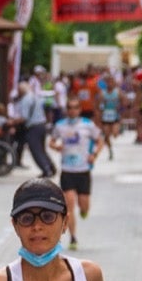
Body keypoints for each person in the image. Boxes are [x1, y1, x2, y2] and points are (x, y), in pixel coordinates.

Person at [49, 102, 102, 251]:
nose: (72, 111)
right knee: (69, 205)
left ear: (79, 110)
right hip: (67, 170)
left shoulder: (88, 124)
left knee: (83, 205)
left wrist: (94, 154)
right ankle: (73, 237)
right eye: (70, 108)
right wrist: (56, 146)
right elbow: (51, 142)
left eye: (75, 108)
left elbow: (100, 140)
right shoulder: (60, 125)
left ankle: (84, 210)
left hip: (83, 170)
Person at [16, 71, 54, 177]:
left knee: (36, 149)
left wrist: (13, 121)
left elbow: (24, 117)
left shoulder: (25, 100)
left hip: (33, 127)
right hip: (41, 125)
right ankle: (51, 167)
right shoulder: (34, 97)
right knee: (42, 149)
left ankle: (46, 170)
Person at [98, 78, 122, 160]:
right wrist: (99, 114)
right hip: (106, 115)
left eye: (111, 82)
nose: (110, 84)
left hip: (115, 115)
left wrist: (120, 108)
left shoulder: (118, 92)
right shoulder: (102, 93)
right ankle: (110, 150)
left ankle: (118, 130)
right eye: (108, 83)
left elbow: (124, 101)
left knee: (115, 133)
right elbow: (98, 104)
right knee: (106, 135)